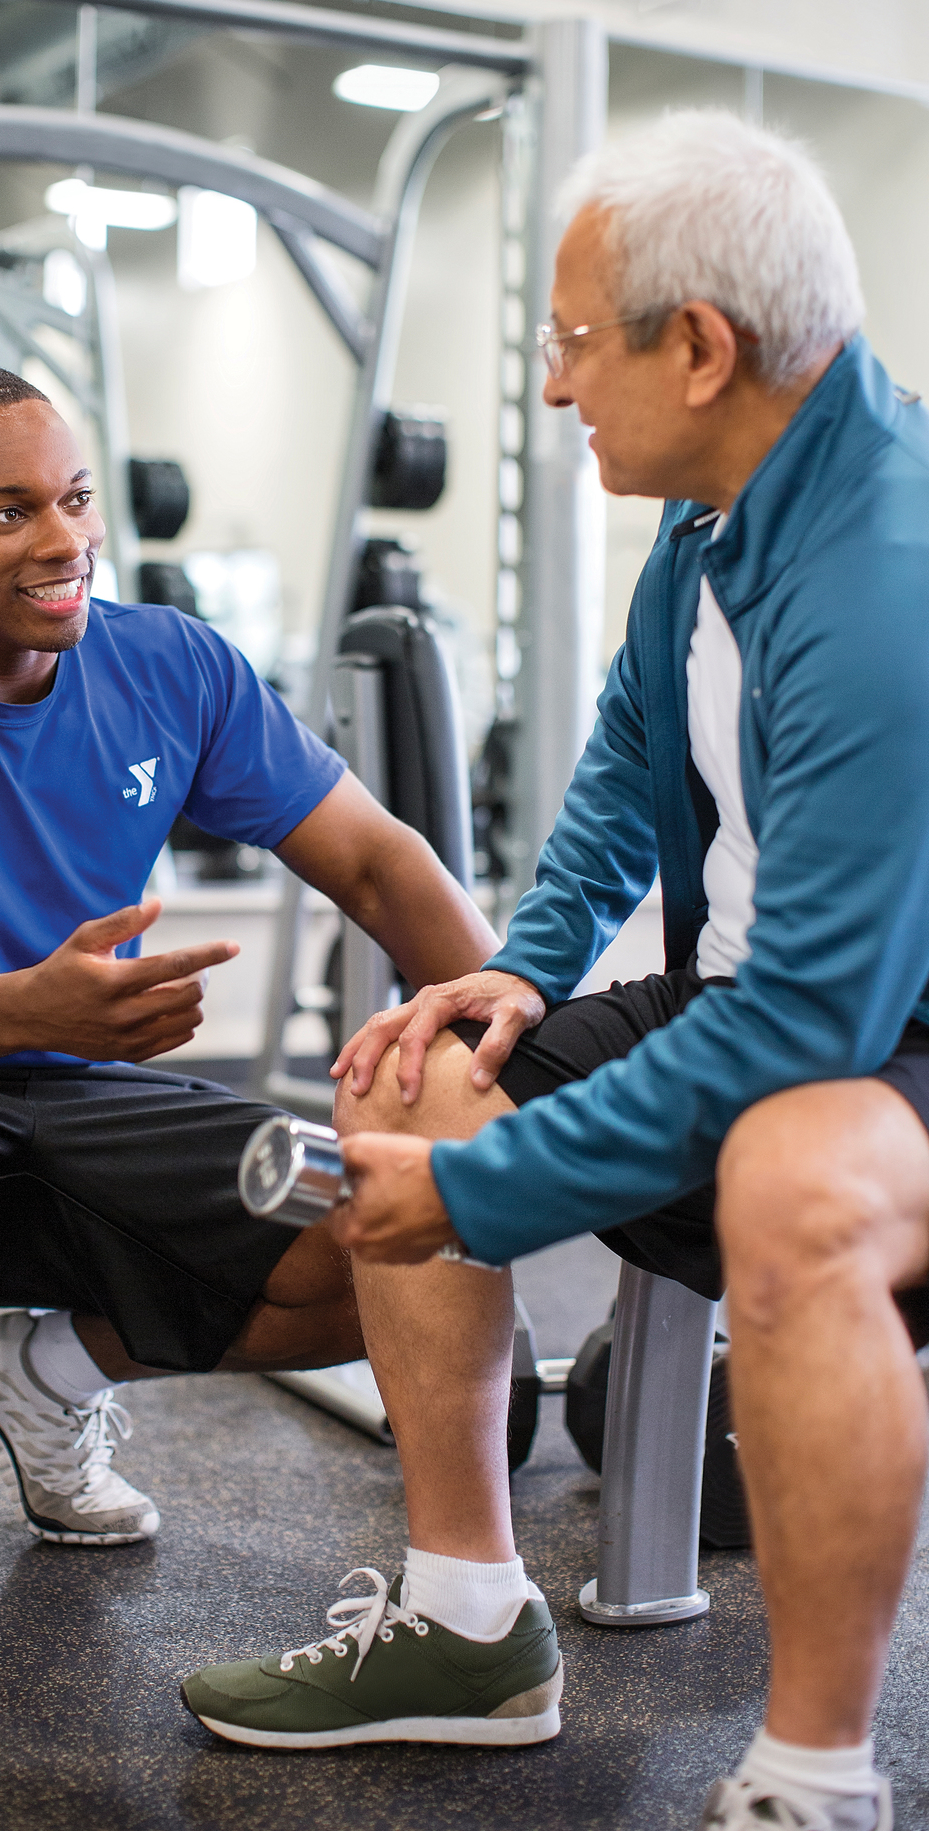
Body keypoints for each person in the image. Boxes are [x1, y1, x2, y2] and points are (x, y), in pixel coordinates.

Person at [181, 113, 929, 1831]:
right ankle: (468, 1625)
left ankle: (815, 1775)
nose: (551, 389)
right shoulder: (713, 523)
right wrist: (515, 977)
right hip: (761, 996)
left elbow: (819, 1023)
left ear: (700, 345)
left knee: (796, 1179)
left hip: (881, 1029)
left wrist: (480, 1189)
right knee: (412, 1071)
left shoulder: (885, 570)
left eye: (572, 344)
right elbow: (617, 778)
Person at [0, 363, 533, 1675]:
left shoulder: (170, 667)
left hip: (92, 1087)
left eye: (76, 500)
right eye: (10, 511)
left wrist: (524, 1050)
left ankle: (49, 1375)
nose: (65, 540)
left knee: (403, 1233)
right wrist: (29, 1005)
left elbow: (378, 862)